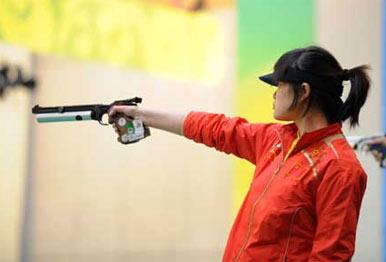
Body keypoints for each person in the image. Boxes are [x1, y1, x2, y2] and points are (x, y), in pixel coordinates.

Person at [108, 46, 370, 261]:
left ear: (304, 92)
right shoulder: (277, 139)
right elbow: (215, 128)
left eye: (279, 85)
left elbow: (330, 257)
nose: (274, 94)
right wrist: (142, 115)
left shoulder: (340, 168)